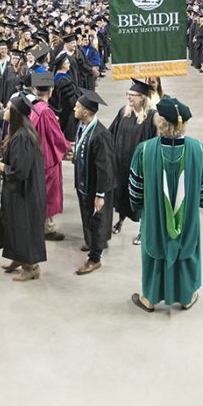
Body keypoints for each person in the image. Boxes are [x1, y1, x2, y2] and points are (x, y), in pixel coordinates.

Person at [128, 96, 203, 313]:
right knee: (186, 250)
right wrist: (197, 203)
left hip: (155, 217)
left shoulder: (144, 150)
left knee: (155, 251)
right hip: (187, 218)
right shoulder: (199, 150)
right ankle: (186, 297)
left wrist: (140, 205)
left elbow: (135, 191)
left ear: (159, 122)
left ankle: (149, 298)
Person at [0, 92, 47, 282]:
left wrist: (2, 166)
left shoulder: (22, 137)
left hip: (25, 192)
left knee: (24, 227)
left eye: (7, 108)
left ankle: (31, 267)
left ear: (15, 113)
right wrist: (4, 161)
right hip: (18, 191)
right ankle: (18, 258)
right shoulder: (18, 132)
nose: (4, 110)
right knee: (13, 225)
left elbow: (20, 171)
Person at [71, 89, 114, 275]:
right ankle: (91, 243)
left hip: (96, 186)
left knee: (97, 220)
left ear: (87, 111)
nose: (74, 108)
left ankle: (95, 258)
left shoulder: (100, 134)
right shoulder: (82, 126)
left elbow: (105, 167)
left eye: (78, 107)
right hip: (83, 184)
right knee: (88, 216)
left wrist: (100, 194)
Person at [108, 80, 156, 244]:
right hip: (122, 164)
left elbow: (156, 142)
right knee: (122, 194)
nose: (129, 97)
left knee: (142, 198)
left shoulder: (152, 117)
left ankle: (143, 230)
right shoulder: (124, 113)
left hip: (142, 167)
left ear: (142, 98)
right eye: (128, 94)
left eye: (132, 95)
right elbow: (110, 133)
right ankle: (120, 220)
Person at [29, 71, 69, 242]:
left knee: (39, 193)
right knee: (47, 195)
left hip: (36, 156)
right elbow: (57, 138)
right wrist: (67, 147)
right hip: (47, 158)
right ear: (51, 91)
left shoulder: (33, 107)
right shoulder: (46, 111)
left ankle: (42, 226)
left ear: (34, 89)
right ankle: (46, 229)